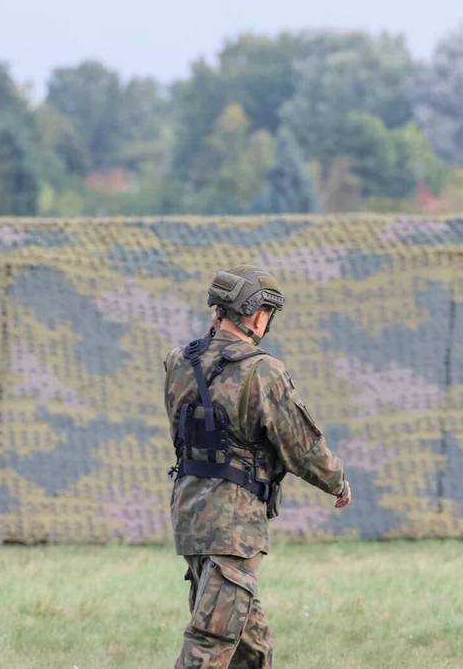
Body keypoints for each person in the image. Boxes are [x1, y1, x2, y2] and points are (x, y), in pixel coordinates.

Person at [163, 264, 352, 669]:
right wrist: (338, 482)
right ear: (259, 315)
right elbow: (301, 448)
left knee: (252, 648)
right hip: (234, 528)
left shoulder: (178, 361)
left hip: (190, 517)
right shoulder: (263, 370)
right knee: (210, 644)